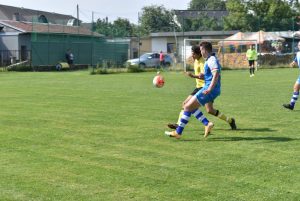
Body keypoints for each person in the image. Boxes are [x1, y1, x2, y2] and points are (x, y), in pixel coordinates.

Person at [166, 41, 229, 139]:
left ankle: (178, 132)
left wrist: (209, 88)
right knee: (189, 106)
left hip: (208, 89)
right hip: (207, 88)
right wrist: (203, 75)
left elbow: (216, 74)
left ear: (204, 50)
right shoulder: (209, 60)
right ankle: (207, 124)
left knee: (187, 107)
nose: (200, 52)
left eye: (200, 50)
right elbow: (211, 74)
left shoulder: (211, 59)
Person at [282, 41, 300, 110]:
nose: (299, 46)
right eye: (298, 45)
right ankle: (291, 105)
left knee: (296, 87)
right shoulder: (298, 53)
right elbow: (296, 60)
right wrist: (293, 63)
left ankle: (291, 105)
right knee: (296, 88)